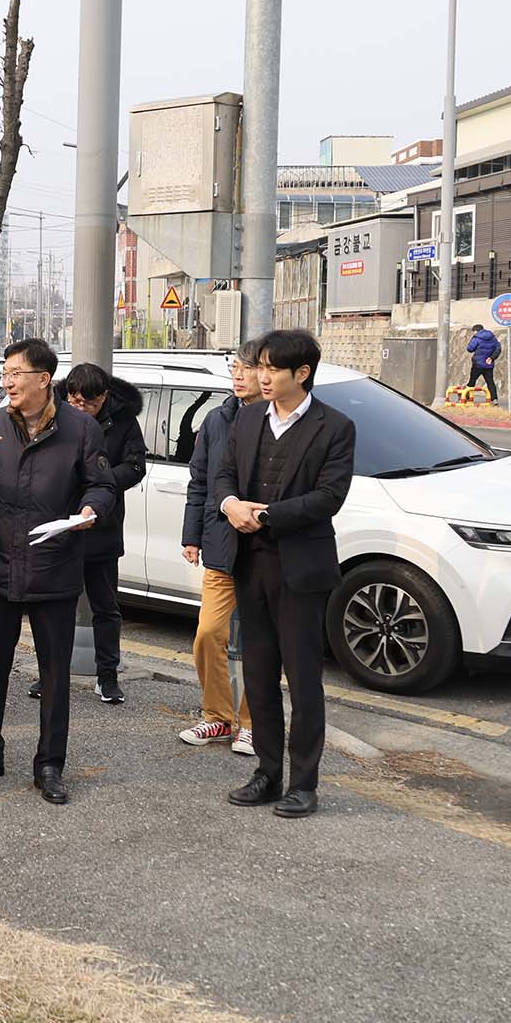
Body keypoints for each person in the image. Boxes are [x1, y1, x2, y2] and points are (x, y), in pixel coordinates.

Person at [0, 338, 117, 806]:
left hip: (54, 565)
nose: (8, 382)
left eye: (16, 374)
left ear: (44, 379)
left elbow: (103, 486)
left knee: (54, 673)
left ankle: (49, 764)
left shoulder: (80, 428)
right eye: (4, 374)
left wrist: (90, 509)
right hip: (0, 565)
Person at [214, 329, 355, 819]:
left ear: (303, 373)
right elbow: (223, 474)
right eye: (261, 367)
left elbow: (329, 497)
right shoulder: (248, 417)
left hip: (300, 569)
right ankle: (267, 773)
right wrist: (230, 505)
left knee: (303, 680)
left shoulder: (334, 427)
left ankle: (304, 783)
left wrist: (268, 515)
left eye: (273, 368)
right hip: (249, 563)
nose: (262, 376)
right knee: (257, 675)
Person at [178, 342, 263, 754]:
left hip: (264, 547)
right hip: (221, 545)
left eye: (247, 368)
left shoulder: (280, 420)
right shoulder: (216, 419)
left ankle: (252, 723)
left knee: (259, 640)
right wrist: (192, 536)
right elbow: (200, 481)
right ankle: (217, 716)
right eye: (235, 367)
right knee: (208, 634)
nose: (239, 375)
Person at [61, 363, 146, 706]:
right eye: (75, 402)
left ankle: (107, 675)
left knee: (106, 607)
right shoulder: (55, 414)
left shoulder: (123, 420)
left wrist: (100, 480)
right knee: (56, 606)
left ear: (105, 397)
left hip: (103, 525)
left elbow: (135, 466)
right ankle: (51, 672)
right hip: (62, 524)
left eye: (90, 403)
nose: (82, 409)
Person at [466, 323, 500, 403]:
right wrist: (492, 358)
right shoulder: (492, 337)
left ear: (476, 331)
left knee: (472, 380)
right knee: (490, 382)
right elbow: (498, 349)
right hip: (488, 364)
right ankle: (494, 399)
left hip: (478, 363)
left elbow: (470, 349)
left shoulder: (477, 338)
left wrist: (473, 339)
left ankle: (466, 397)